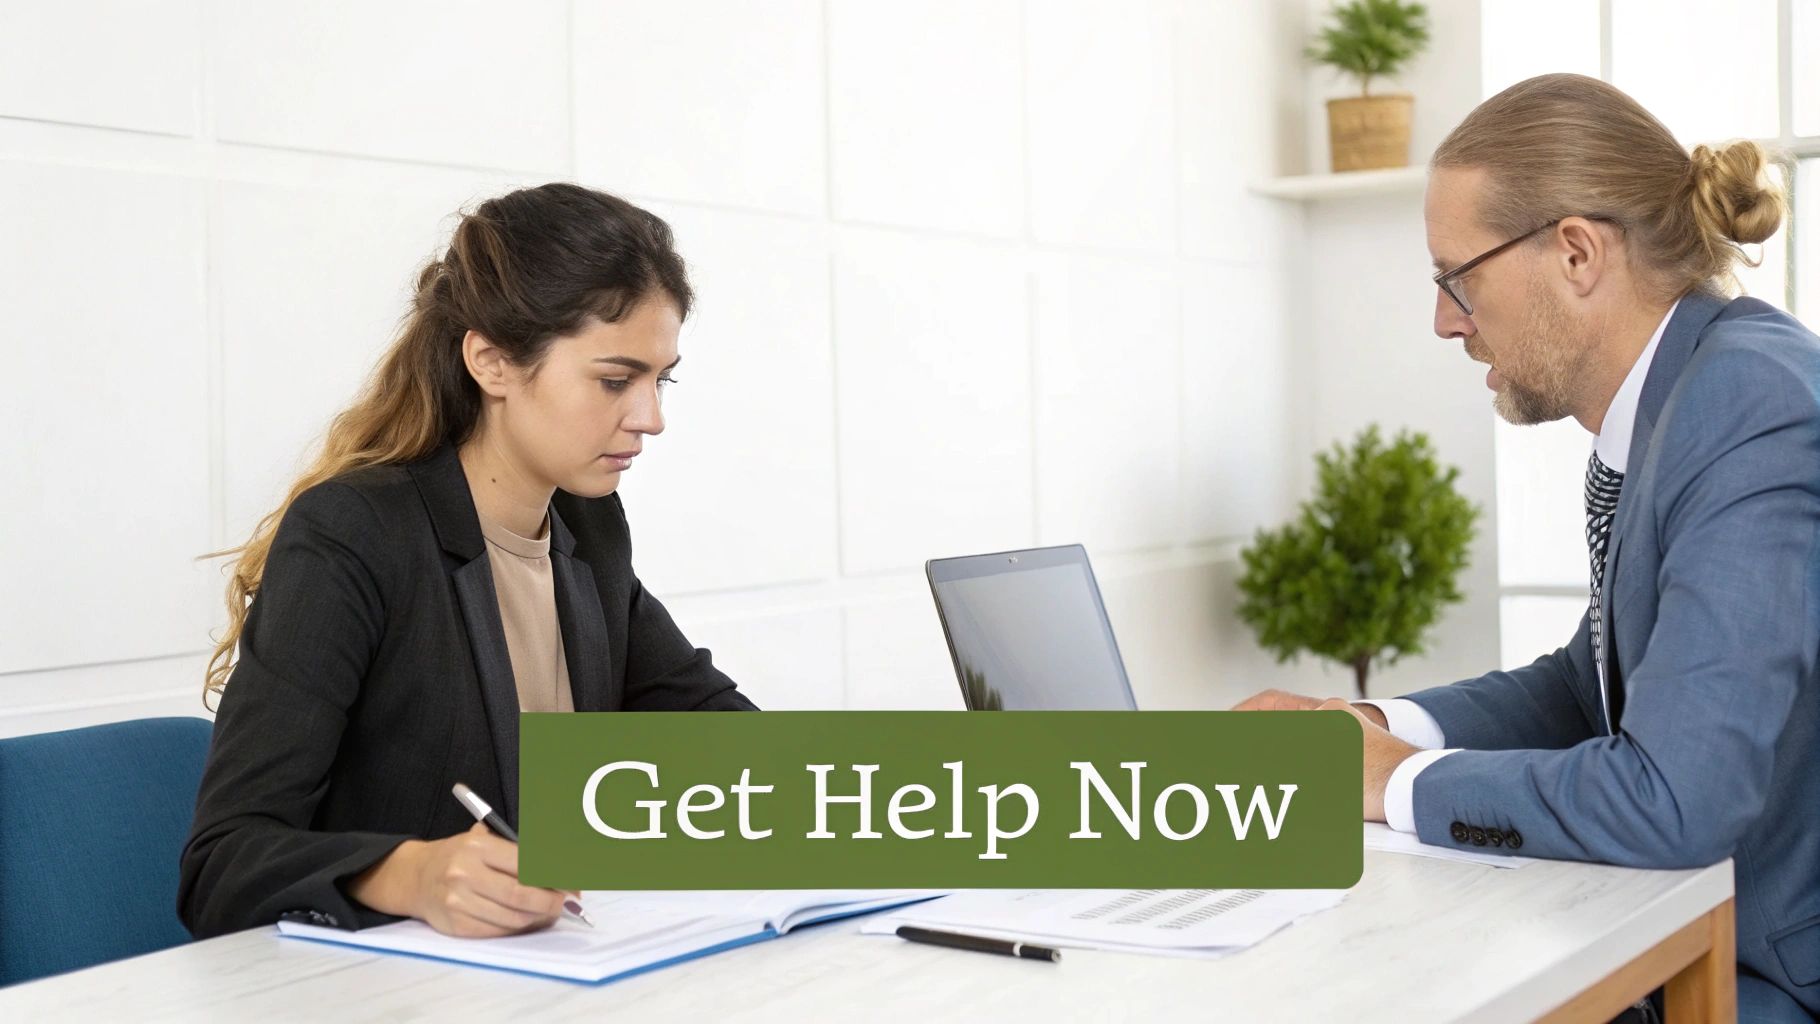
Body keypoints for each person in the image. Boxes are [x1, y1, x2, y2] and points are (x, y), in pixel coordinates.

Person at [1235, 74, 1818, 1021]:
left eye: (1457, 277)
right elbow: (1584, 687)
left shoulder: (1747, 402)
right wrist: (1376, 731)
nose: (1445, 320)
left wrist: (1395, 785)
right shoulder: (1686, 399)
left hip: (1773, 977)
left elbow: (1676, 797)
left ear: (1578, 252)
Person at [179, 183, 757, 942]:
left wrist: (923, 792)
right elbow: (221, 865)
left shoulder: (588, 528)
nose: (650, 418)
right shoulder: (354, 535)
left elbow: (725, 741)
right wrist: (413, 875)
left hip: (556, 974)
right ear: (490, 362)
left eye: (661, 379)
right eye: (616, 380)